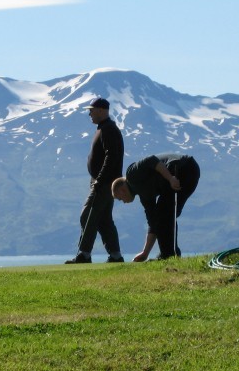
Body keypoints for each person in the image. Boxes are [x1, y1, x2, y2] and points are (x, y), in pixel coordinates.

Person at [65, 97, 125, 264]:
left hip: (104, 183)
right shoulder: (104, 128)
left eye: (91, 110)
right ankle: (115, 255)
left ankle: (84, 254)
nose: (89, 114)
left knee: (87, 215)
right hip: (103, 181)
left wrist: (100, 179)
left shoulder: (108, 129)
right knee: (104, 219)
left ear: (100, 110)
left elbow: (111, 156)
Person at [111, 153, 200, 261]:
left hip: (183, 167)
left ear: (122, 190)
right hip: (189, 171)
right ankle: (170, 254)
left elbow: (151, 160)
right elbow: (153, 224)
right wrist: (145, 253)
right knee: (165, 214)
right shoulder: (145, 197)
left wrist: (170, 178)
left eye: (120, 198)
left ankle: (167, 255)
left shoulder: (131, 174)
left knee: (164, 213)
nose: (123, 202)